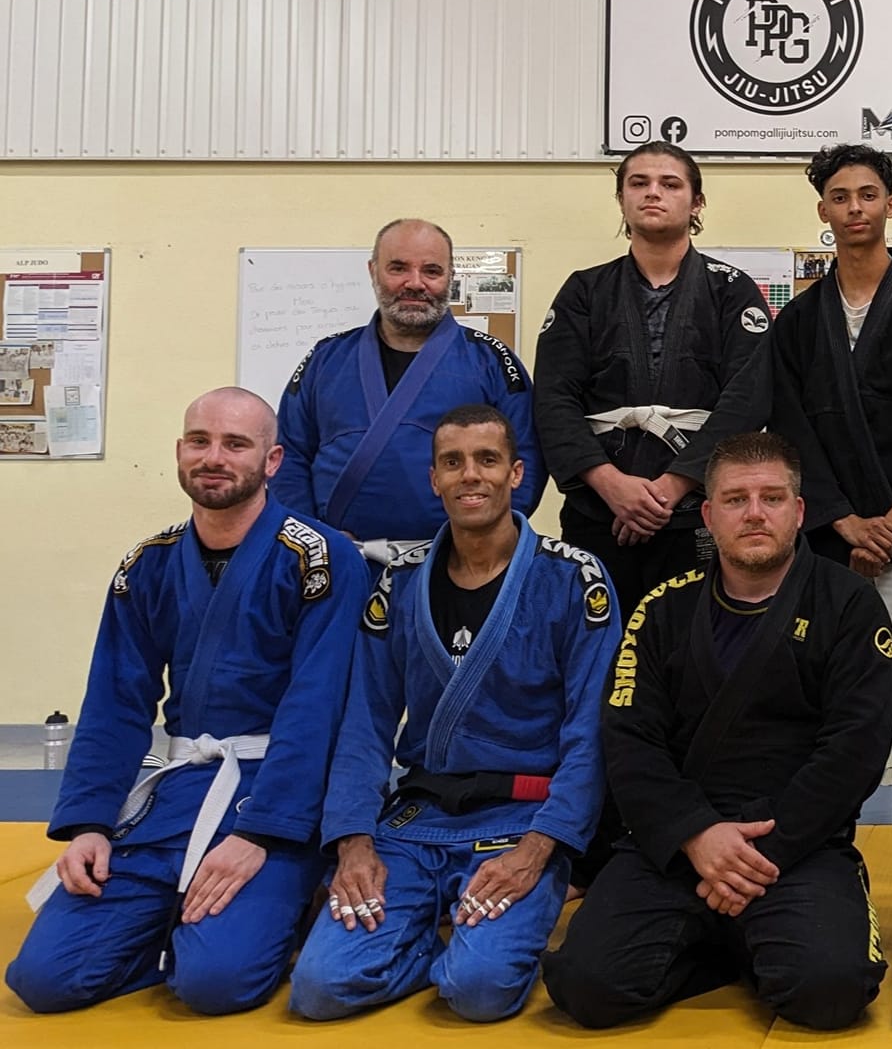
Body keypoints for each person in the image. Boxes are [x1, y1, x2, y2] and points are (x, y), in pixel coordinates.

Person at [7, 388, 367, 1015]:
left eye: (236, 444)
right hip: (176, 792)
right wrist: (91, 823)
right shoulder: (147, 564)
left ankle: (282, 907)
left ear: (272, 460)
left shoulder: (319, 558)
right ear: (179, 451)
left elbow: (318, 707)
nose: (214, 457)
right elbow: (115, 703)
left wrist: (259, 832)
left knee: (213, 984)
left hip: (274, 797)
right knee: (44, 979)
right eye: (200, 441)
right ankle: (178, 928)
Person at [541, 433, 892, 1030]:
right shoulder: (662, 608)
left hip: (794, 843)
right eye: (736, 500)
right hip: (679, 842)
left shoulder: (849, 603)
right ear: (708, 516)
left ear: (798, 511)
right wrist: (695, 835)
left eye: (771, 498)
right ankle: (734, 944)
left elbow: (854, 749)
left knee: (831, 990)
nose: (755, 513)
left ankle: (744, 930)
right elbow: (629, 739)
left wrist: (761, 853)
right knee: (584, 986)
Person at [288, 405, 616, 1022]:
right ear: (433, 478)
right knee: (319, 988)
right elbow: (365, 724)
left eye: (487, 460)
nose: (471, 475)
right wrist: (353, 841)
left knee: (478, 990)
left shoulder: (573, 579)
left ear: (516, 473)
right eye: (453, 462)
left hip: (519, 822)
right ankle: (430, 946)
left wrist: (542, 848)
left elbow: (589, 734)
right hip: (416, 822)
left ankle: (463, 953)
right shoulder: (400, 581)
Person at [533, 140, 773, 613]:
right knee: (597, 640)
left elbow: (747, 401)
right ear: (621, 198)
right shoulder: (584, 291)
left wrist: (672, 486)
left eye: (670, 184)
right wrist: (609, 484)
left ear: (696, 202)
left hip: (697, 510)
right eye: (638, 183)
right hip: (598, 511)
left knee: (696, 640)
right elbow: (554, 400)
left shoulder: (732, 291)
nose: (653, 193)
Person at [771, 143, 892, 669]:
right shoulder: (797, 321)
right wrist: (845, 522)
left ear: (890, 204)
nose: (855, 207)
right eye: (840, 197)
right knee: (829, 672)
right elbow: (791, 431)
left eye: (868, 195)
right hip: (830, 537)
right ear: (823, 211)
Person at [275, 217, 544, 560]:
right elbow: (289, 454)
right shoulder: (326, 359)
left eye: (431, 271)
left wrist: (483, 540)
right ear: (373, 271)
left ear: (450, 276)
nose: (415, 283)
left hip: (454, 562)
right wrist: (311, 537)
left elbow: (527, 459)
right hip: (340, 558)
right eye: (398, 268)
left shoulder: (491, 361)